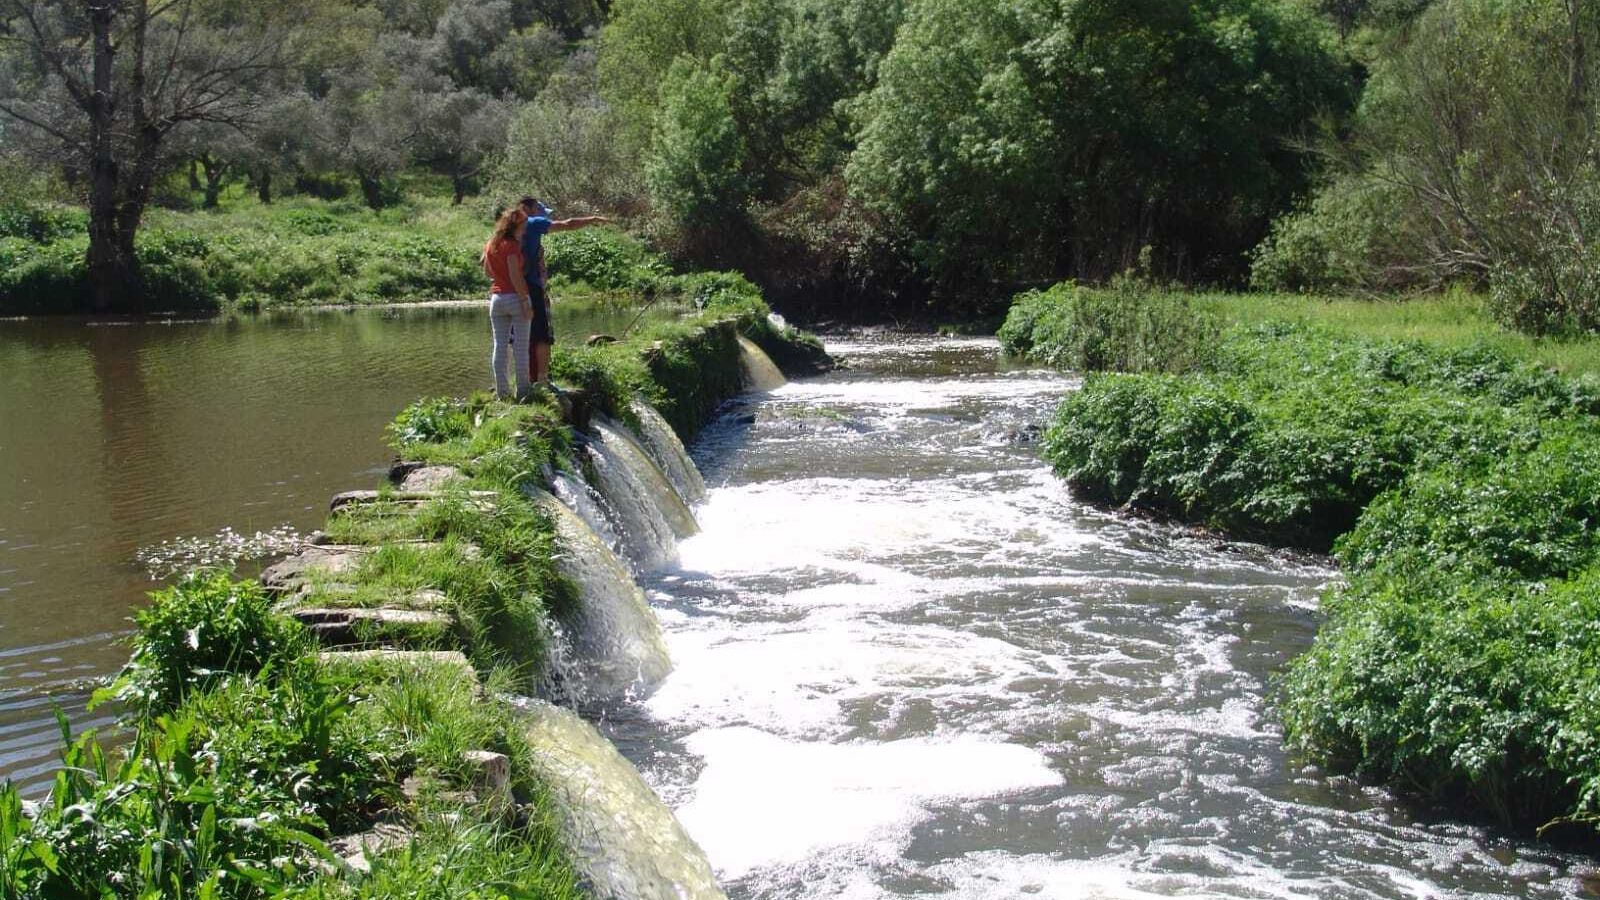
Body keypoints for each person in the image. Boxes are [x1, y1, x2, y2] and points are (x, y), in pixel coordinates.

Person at [516, 196, 610, 383]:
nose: (542, 217)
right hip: (532, 287)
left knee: (519, 336)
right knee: (543, 335)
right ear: (526, 208)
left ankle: (522, 380)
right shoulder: (533, 223)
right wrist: (592, 219)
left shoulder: (506, 228)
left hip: (512, 288)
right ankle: (542, 380)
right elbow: (568, 224)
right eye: (537, 210)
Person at [481, 208, 535, 399]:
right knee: (521, 347)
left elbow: (488, 272)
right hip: (515, 298)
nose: (526, 227)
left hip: (497, 299)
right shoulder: (511, 245)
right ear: (517, 225)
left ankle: (503, 392)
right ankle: (523, 391)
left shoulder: (491, 244)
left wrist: (499, 275)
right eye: (524, 224)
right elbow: (515, 274)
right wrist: (524, 302)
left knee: (499, 346)